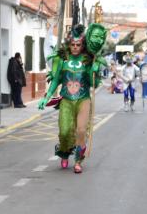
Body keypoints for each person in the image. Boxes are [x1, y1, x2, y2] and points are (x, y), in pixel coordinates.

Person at [38, 24, 107, 173]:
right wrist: (46, 97)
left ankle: (78, 161)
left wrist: (93, 70)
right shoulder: (62, 60)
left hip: (83, 100)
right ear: (69, 45)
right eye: (73, 44)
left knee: (81, 131)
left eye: (78, 44)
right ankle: (64, 152)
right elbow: (56, 81)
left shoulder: (88, 60)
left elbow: (91, 83)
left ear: (82, 46)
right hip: (67, 101)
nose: (75, 47)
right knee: (64, 131)